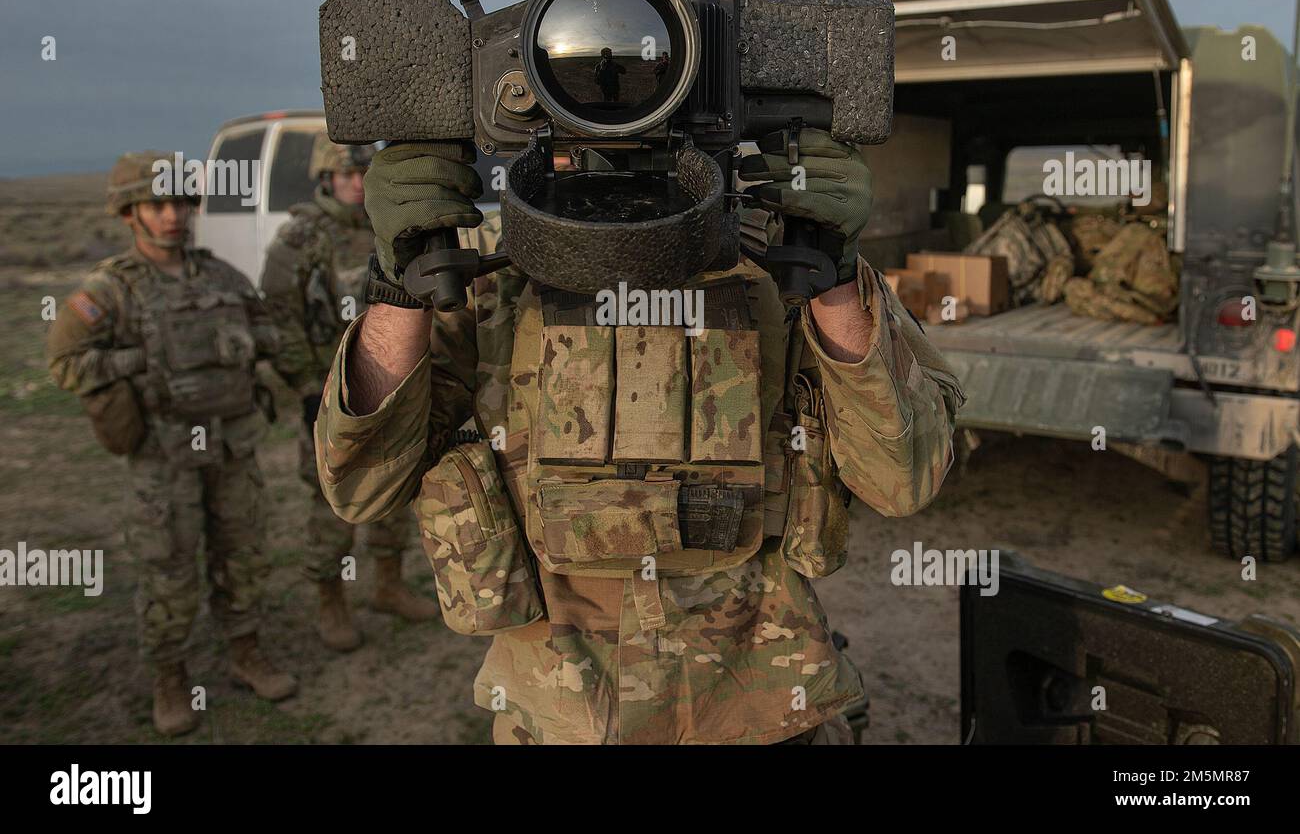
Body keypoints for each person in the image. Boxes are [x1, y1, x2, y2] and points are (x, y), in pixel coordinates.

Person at [314, 130, 965, 744]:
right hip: (559, 716)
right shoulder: (483, 274)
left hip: (760, 711)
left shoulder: (783, 262)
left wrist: (836, 278)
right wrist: (400, 288)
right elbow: (363, 486)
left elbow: (902, 479)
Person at [46, 151, 296, 737]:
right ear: (130, 212)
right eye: (159, 204)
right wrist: (138, 360)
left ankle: (246, 653)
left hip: (232, 447)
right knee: (168, 568)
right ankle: (171, 677)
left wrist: (246, 342)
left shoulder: (221, 276)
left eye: (182, 202)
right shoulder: (108, 291)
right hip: (164, 456)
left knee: (244, 555)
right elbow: (64, 363)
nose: (174, 215)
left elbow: (266, 332)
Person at [260, 134, 438, 652]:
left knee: (394, 489)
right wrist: (307, 389)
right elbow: (278, 319)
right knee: (329, 503)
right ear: (325, 179)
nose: (357, 185)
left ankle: (387, 585)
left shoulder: (384, 231)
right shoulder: (299, 238)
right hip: (326, 398)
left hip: (386, 391)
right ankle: (330, 601)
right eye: (346, 176)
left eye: (365, 175)